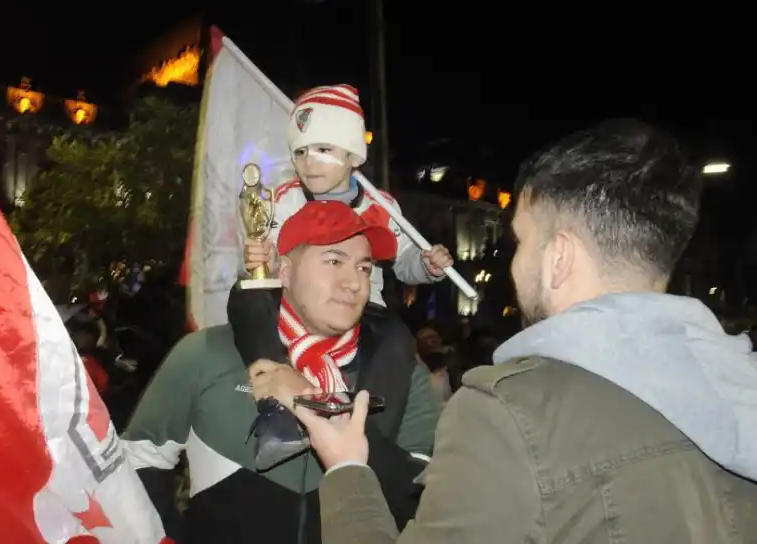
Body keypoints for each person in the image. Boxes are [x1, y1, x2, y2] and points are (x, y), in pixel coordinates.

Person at [292, 119, 757, 544]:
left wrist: (348, 469)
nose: (515, 261)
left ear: (559, 259)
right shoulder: (740, 383)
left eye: (522, 241)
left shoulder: (506, 415)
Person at [122, 201, 441, 544]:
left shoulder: (403, 370)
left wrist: (314, 401)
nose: (354, 282)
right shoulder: (205, 353)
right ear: (285, 272)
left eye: (364, 268)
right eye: (334, 261)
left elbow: (426, 500)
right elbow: (137, 463)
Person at [244, 84, 453, 306]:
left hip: (363, 311)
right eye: (300, 151)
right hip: (301, 310)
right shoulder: (284, 200)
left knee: (396, 340)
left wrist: (426, 265)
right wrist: (264, 259)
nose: (309, 161)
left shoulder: (381, 205)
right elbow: (273, 255)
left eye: (323, 150)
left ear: (353, 157)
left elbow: (404, 260)